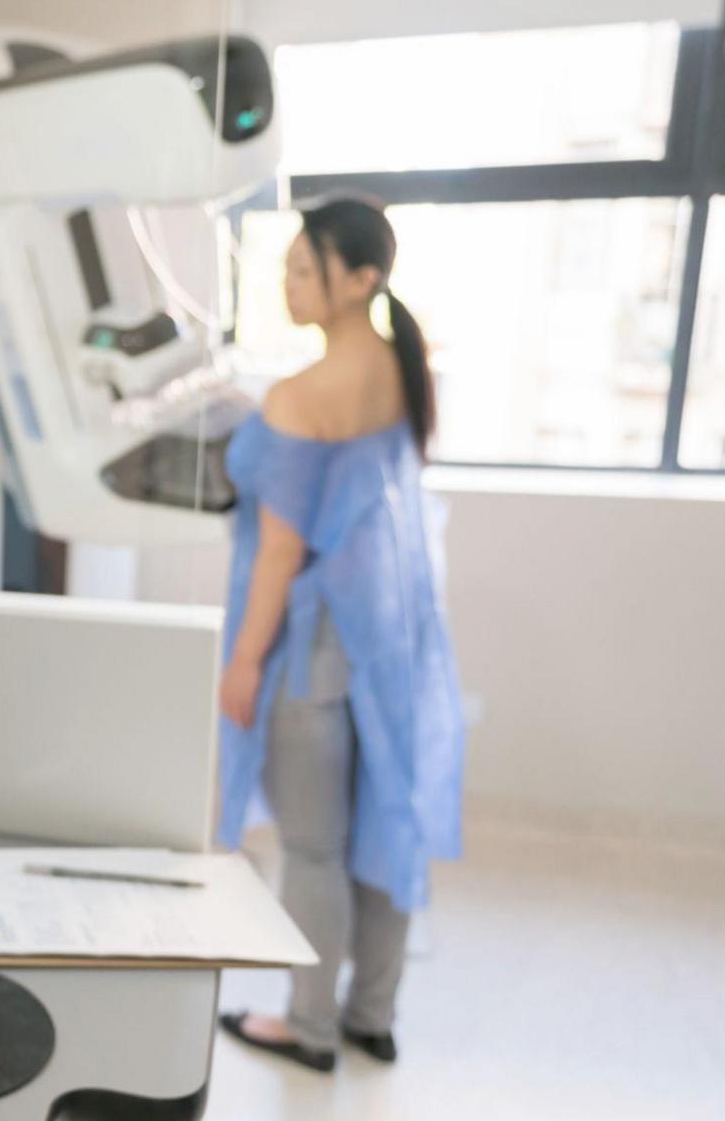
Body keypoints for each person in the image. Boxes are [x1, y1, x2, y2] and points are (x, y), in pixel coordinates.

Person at [212, 197, 466, 1072]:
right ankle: (371, 1014)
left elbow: (280, 552)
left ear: (360, 280)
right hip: (390, 634)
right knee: (382, 820)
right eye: (284, 266)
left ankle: (310, 1027)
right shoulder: (405, 366)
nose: (287, 283)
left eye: (303, 269)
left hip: (311, 647)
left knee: (313, 846)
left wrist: (244, 661)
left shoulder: (300, 394)